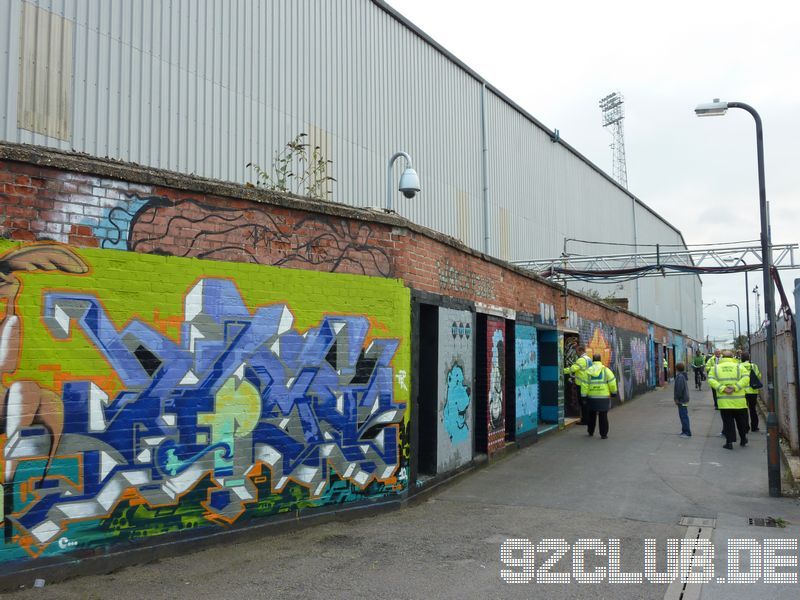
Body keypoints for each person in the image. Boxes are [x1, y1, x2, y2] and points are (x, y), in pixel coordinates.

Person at [707, 350, 750, 449]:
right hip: (739, 402)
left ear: (722, 357)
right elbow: (746, 378)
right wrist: (736, 387)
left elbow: (711, 380)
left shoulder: (716, 368)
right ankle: (743, 439)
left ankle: (729, 442)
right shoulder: (740, 367)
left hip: (724, 402)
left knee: (728, 423)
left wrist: (722, 388)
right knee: (741, 422)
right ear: (733, 356)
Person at [581, 353, 617, 439]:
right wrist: (613, 392)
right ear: (600, 360)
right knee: (603, 416)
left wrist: (583, 397)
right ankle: (603, 435)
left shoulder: (588, 371)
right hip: (603, 397)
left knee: (591, 415)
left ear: (593, 360)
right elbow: (612, 382)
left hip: (592, 397)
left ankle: (590, 432)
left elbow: (584, 385)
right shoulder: (606, 370)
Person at [564, 345, 593, 425]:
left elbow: (573, 369)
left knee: (583, 403)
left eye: (577, 351)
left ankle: (585, 420)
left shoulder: (581, 360)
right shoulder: (589, 359)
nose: (576, 353)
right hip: (587, 384)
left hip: (582, 385)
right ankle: (586, 419)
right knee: (585, 403)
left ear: (581, 351)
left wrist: (561, 370)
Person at [739, 352, 762, 432]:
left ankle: (746, 427)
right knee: (753, 409)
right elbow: (759, 376)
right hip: (753, 391)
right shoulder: (753, 366)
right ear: (749, 358)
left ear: (741, 358)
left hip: (742, 392)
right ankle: (754, 427)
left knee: (744, 410)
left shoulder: (739, 366)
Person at [705, 349, 724, 436]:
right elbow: (707, 367)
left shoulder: (723, 359)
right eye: (716, 353)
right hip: (714, 378)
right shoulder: (711, 359)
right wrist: (713, 368)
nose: (717, 354)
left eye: (719, 353)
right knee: (714, 392)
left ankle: (720, 403)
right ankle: (716, 404)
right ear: (715, 353)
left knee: (720, 391)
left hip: (721, 378)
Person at [674, 362, 691, 437]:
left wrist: (677, 398)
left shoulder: (680, 377)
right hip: (684, 398)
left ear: (677, 368)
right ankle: (684, 431)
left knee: (683, 416)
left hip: (682, 399)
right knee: (683, 415)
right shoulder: (682, 375)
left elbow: (679, 389)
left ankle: (687, 432)